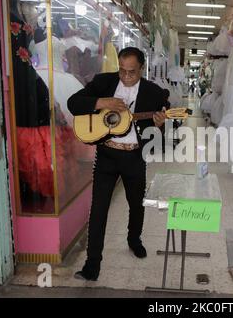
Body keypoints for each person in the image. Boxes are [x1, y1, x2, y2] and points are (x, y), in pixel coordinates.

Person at [68, 47, 167, 281]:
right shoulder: (104, 82)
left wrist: (160, 124)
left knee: (136, 204)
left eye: (131, 72)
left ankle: (134, 240)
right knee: (99, 210)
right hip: (106, 156)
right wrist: (103, 102)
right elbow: (74, 103)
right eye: (122, 71)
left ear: (141, 69)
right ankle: (92, 265)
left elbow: (156, 135)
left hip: (134, 157)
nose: (125, 76)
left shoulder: (154, 93)